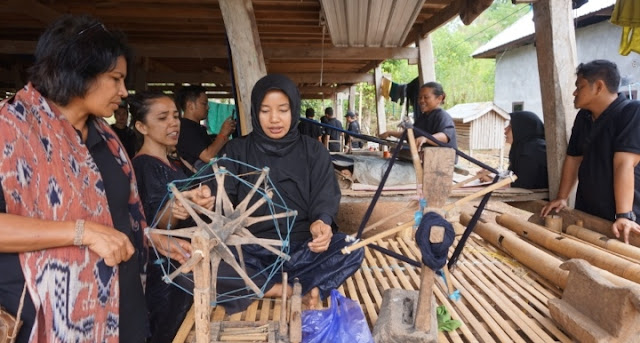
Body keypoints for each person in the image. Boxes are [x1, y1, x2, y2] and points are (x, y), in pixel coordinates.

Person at [0, 15, 186, 343]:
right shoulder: (11, 131)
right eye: (115, 78)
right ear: (78, 71)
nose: (124, 91)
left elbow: (114, 213)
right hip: (47, 322)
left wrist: (146, 236)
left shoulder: (107, 139)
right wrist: (82, 233)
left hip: (122, 315)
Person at [217, 74, 364, 313]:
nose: (274, 119)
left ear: (293, 110)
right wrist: (205, 195)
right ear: (255, 111)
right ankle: (288, 290)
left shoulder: (313, 151)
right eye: (265, 111)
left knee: (352, 248)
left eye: (283, 110)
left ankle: (269, 286)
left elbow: (324, 195)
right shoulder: (237, 150)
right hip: (250, 252)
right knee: (204, 261)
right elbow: (221, 196)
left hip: (302, 249)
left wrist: (322, 222)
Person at [129, 91, 214, 343]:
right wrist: (179, 206)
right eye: (163, 118)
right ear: (141, 126)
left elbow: (177, 208)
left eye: (175, 116)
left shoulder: (172, 163)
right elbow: (155, 223)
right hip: (164, 273)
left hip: (183, 264)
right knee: (168, 332)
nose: (173, 123)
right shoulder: (144, 166)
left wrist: (198, 200)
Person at [541, 60, 640, 244]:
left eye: (580, 86)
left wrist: (624, 215)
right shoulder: (584, 117)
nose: (575, 92)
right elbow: (573, 158)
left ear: (599, 87)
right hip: (588, 212)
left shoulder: (631, 112)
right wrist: (562, 197)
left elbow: (624, 163)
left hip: (622, 220)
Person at [380, 81, 458, 153]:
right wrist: (389, 133)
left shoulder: (442, 116)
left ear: (439, 98)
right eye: (420, 98)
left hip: (441, 160)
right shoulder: (423, 117)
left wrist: (426, 138)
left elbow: (445, 136)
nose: (421, 101)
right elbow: (410, 134)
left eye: (426, 97)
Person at [478, 111, 548, 189]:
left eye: (510, 126)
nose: (505, 130)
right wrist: (492, 175)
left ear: (522, 129)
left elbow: (520, 187)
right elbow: (514, 178)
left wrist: (490, 180)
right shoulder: (522, 148)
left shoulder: (532, 150)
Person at [175, 85, 236, 167]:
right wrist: (223, 133)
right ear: (190, 106)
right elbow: (208, 157)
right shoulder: (186, 129)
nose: (208, 107)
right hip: (199, 179)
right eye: (204, 104)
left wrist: (227, 133)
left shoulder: (196, 127)